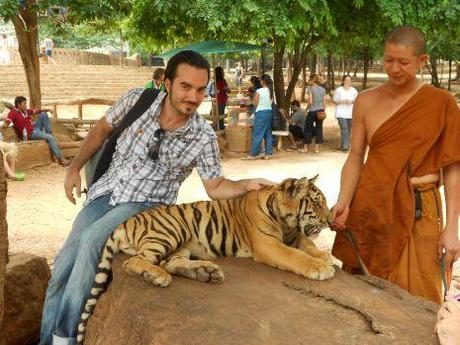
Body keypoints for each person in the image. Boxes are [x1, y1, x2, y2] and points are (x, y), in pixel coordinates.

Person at [39, 50, 274, 345]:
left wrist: (245, 185)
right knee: (63, 264)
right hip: (107, 191)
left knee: (90, 242)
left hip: (148, 204)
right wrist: (73, 169)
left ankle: (65, 337)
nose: (193, 96)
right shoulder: (137, 100)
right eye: (185, 87)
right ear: (167, 83)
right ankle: (45, 339)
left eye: (201, 90)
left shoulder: (202, 136)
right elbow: (101, 130)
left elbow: (215, 186)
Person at [330, 26, 460, 305]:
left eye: (403, 62)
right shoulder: (366, 101)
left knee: (419, 298)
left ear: (422, 61)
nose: (394, 68)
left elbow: (452, 168)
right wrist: (344, 201)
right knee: (365, 297)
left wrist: (452, 229)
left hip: (419, 209)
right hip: (372, 206)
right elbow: (355, 157)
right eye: (389, 60)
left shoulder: (442, 103)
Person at [2, 96, 69, 166]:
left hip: (34, 129)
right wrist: (4, 124)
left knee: (43, 114)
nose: (26, 105)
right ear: (18, 104)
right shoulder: (13, 113)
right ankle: (61, 159)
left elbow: (38, 111)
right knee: (50, 138)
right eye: (24, 104)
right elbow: (6, 124)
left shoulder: (25, 111)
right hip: (28, 134)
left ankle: (49, 133)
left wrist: (48, 109)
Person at [243, 74, 274, 160]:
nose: (259, 82)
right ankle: (268, 153)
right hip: (269, 112)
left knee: (257, 133)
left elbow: (254, 103)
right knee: (268, 133)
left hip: (261, 113)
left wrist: (249, 103)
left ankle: (254, 154)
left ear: (263, 81)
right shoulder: (271, 91)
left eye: (260, 80)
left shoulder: (260, 91)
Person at [299, 74, 326, 154]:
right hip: (320, 110)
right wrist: (323, 111)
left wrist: (306, 109)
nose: (308, 81)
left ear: (313, 80)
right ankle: (317, 149)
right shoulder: (322, 89)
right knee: (319, 128)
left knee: (308, 128)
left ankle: (305, 148)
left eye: (309, 79)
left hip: (312, 111)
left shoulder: (310, 88)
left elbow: (310, 101)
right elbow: (324, 102)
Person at [333, 75, 358, 152]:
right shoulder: (339, 90)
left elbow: (358, 101)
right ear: (343, 81)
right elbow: (335, 101)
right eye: (346, 80)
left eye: (349, 80)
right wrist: (343, 101)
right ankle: (346, 146)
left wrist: (352, 101)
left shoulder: (354, 90)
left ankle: (343, 145)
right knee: (344, 129)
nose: (348, 81)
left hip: (350, 113)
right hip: (340, 113)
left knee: (348, 130)